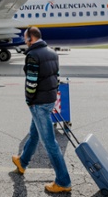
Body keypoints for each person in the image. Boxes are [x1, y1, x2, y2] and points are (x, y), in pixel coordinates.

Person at [12, 27, 72, 193]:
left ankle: (63, 182)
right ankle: (22, 162)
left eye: (26, 38)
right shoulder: (52, 53)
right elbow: (56, 76)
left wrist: (29, 100)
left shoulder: (33, 55)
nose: (25, 41)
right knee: (34, 133)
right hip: (50, 99)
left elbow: (31, 82)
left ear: (31, 38)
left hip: (39, 103)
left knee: (49, 143)